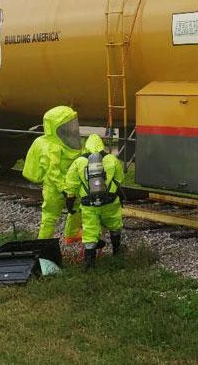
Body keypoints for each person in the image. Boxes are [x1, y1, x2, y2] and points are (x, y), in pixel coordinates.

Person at [64, 133, 125, 270]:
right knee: (115, 225)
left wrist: (70, 199)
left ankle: (89, 264)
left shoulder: (79, 162)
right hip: (109, 202)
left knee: (90, 231)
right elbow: (119, 179)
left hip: (88, 204)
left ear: (86, 146)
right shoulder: (111, 159)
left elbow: (71, 183)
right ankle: (117, 252)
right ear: (102, 145)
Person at [22, 105, 83, 242]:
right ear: (54, 128)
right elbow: (53, 173)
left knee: (76, 210)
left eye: (72, 124)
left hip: (71, 186)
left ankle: (72, 234)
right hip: (54, 189)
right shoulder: (50, 147)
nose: (72, 128)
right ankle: (43, 243)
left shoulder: (70, 143)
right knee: (50, 216)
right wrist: (66, 190)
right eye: (67, 125)